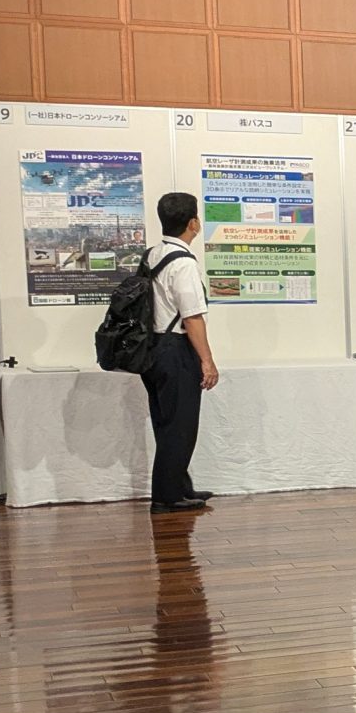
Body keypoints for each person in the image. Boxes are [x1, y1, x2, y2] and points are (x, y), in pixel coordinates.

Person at [142, 191, 219, 514]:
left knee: (166, 421)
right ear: (193, 223)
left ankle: (179, 485)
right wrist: (207, 361)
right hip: (176, 349)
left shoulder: (152, 254)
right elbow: (192, 317)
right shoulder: (184, 263)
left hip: (152, 348)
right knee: (181, 425)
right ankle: (168, 496)